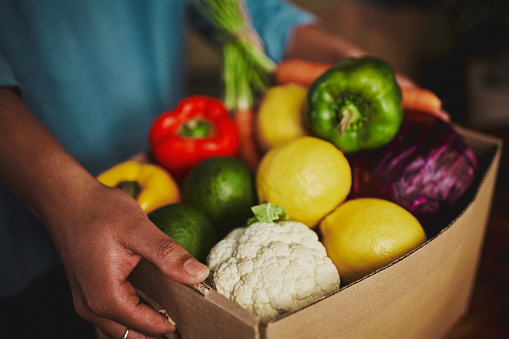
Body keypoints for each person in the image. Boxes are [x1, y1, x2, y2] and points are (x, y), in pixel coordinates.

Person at [0, 1, 411, 338]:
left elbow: (245, 10)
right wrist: (65, 200)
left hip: (168, 160)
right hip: (21, 230)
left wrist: (345, 63)